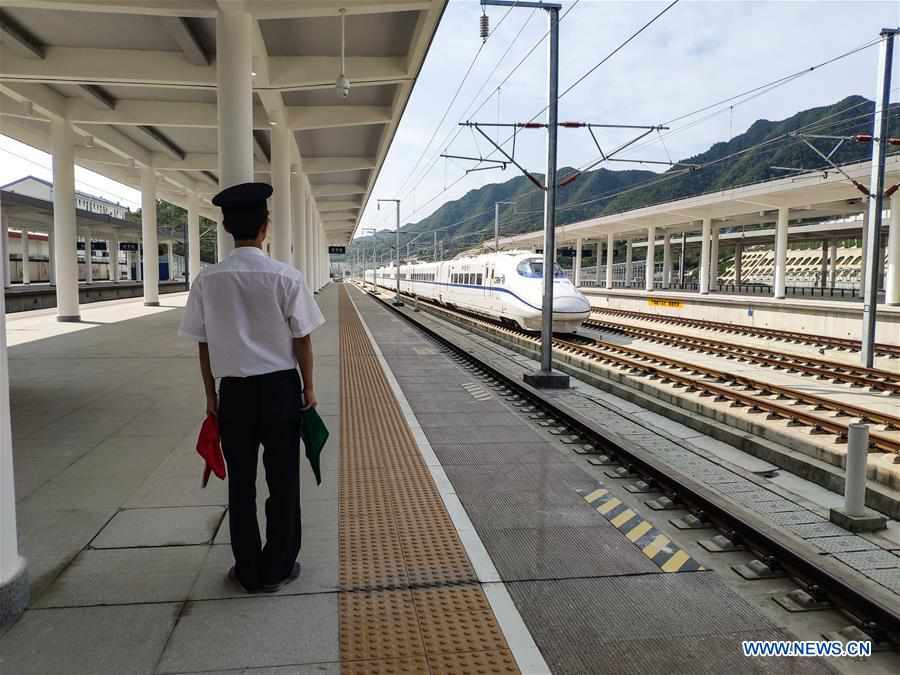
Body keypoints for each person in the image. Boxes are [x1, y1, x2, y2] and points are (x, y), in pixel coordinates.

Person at [179, 182, 325, 593]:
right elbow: (303, 338)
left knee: (240, 484)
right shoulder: (286, 277)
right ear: (265, 228)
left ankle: (247, 569)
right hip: (281, 390)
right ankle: (278, 567)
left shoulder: (208, 280)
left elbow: (203, 344)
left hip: (234, 395)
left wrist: (211, 396)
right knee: (283, 481)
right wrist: (308, 387)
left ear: (227, 229)